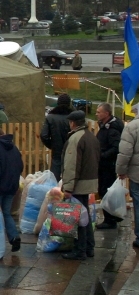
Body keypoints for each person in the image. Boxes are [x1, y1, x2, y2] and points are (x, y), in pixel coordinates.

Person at [61, 111, 100, 261]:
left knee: (79, 218)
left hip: (79, 183)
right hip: (89, 180)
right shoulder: (91, 136)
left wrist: (68, 187)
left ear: (73, 123)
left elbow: (71, 165)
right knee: (85, 216)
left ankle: (80, 250)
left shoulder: (76, 138)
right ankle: (89, 247)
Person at [0, 128, 25, 253]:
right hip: (12, 187)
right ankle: (14, 237)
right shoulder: (14, 148)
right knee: (6, 213)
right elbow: (20, 166)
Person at [95, 103, 124, 230]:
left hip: (108, 166)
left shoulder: (112, 129)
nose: (96, 114)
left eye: (99, 112)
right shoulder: (105, 126)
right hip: (104, 165)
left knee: (106, 192)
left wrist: (102, 155)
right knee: (105, 191)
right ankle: (111, 217)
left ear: (106, 114)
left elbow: (115, 147)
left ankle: (110, 219)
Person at [116, 103, 139, 249]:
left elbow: (125, 152)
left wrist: (121, 170)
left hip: (137, 174)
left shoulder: (132, 127)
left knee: (138, 203)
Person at [41, 94, 73, 180]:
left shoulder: (50, 117)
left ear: (58, 103)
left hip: (57, 152)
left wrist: (52, 145)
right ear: (69, 103)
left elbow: (44, 136)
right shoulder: (73, 117)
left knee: (54, 179)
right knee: (70, 178)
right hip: (72, 151)